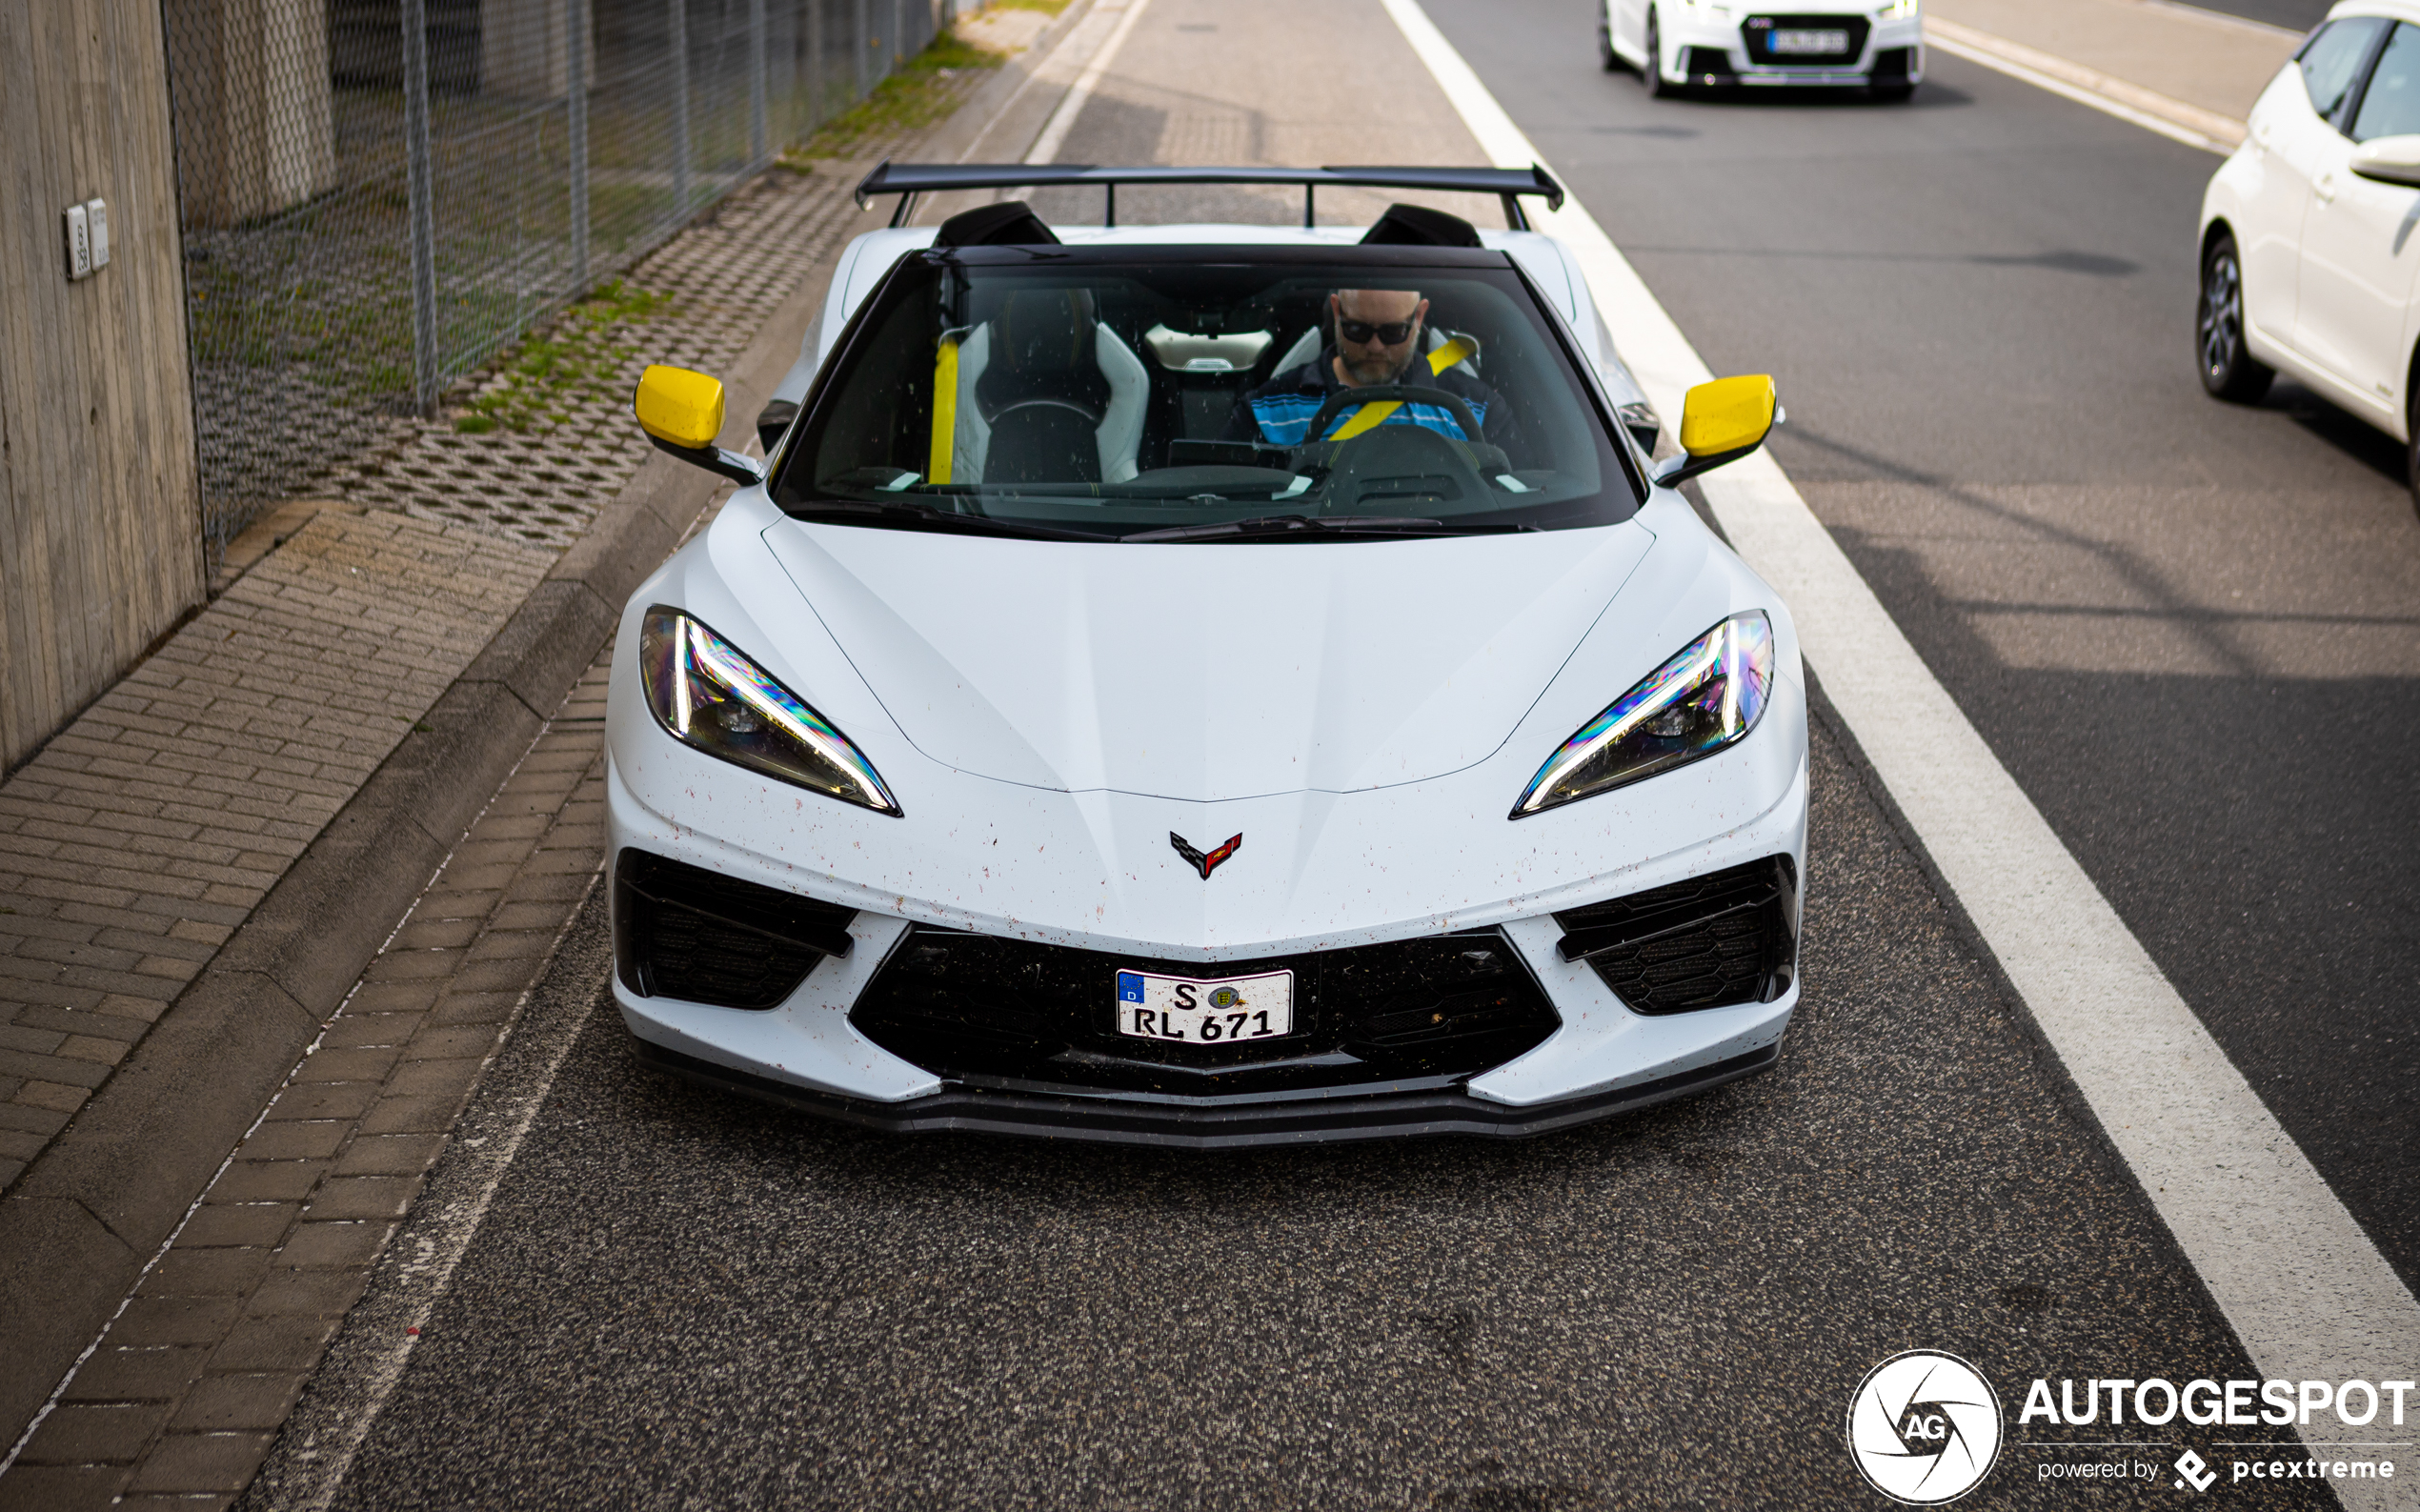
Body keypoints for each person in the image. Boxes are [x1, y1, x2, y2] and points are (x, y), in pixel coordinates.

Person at [1222, 287, 1518, 454]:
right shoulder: (1266, 411)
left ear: (1419, 317)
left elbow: (1520, 494)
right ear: (1337, 312)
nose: (1376, 347)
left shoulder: (1479, 410)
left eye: (1393, 332)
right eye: (1358, 329)